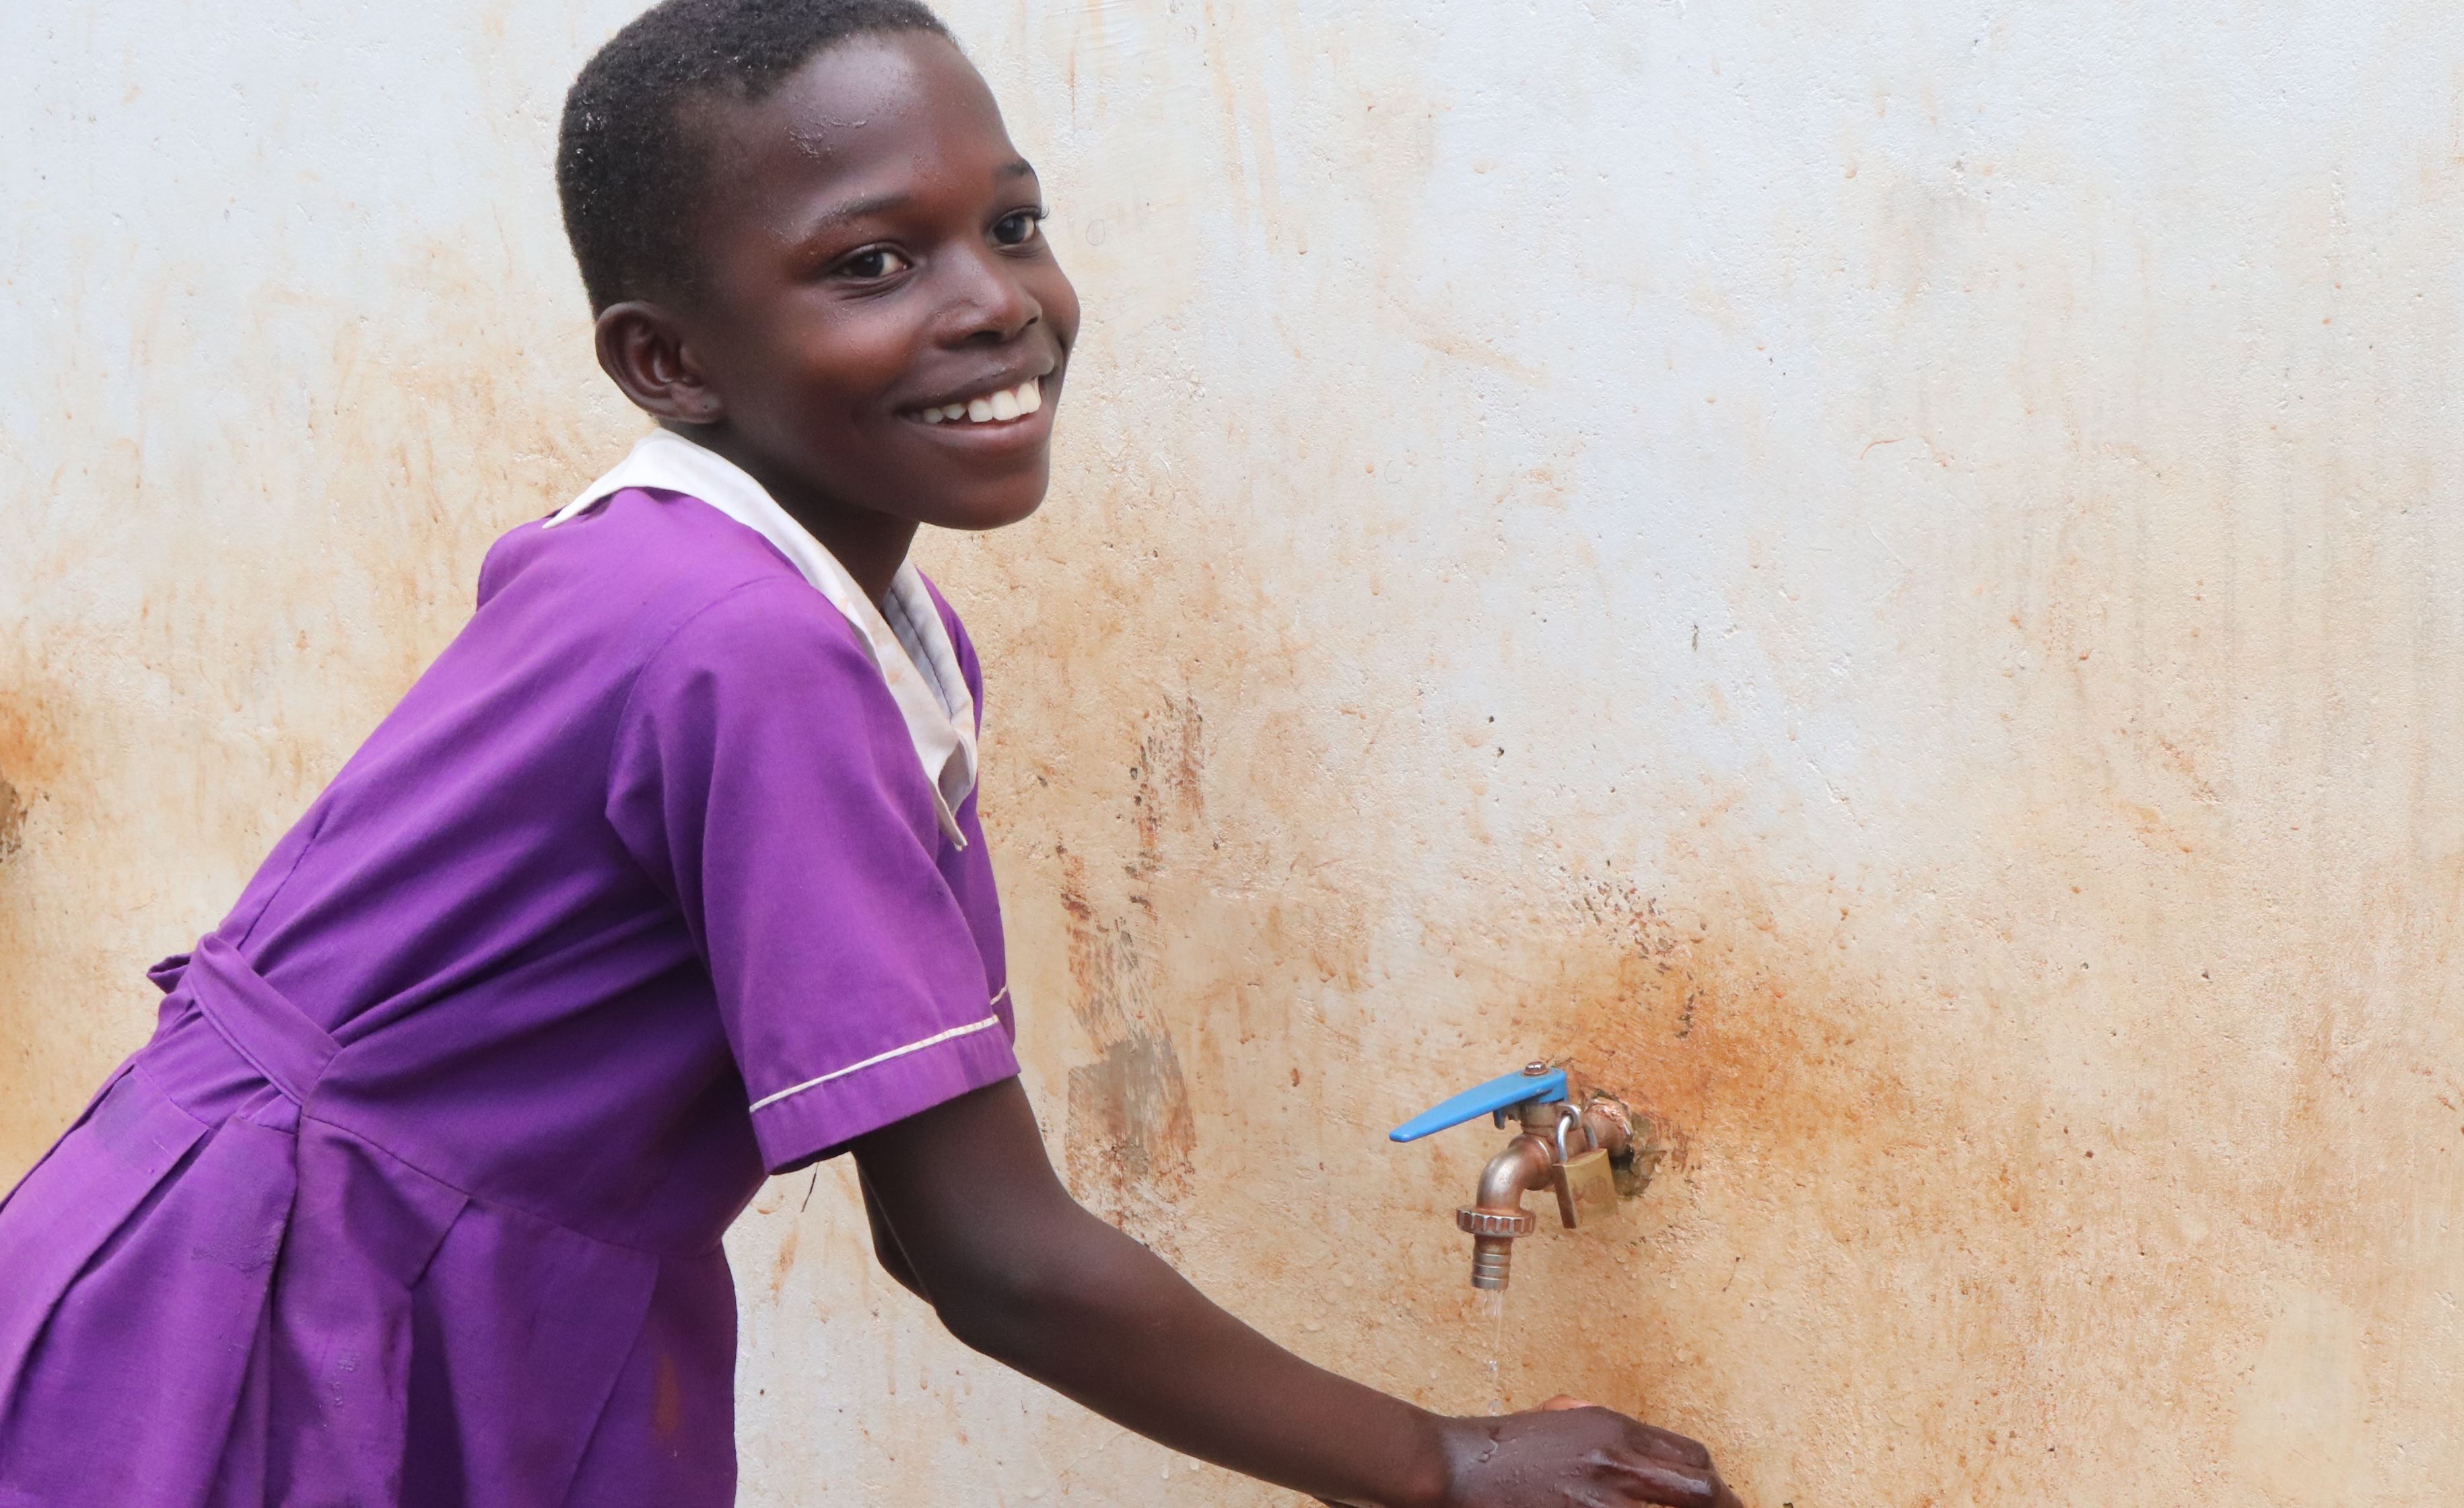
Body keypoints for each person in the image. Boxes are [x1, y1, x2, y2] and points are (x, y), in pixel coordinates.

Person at [0, 3, 1744, 1505]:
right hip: (280, 1308)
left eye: (1013, 221)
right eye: (871, 263)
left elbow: (935, 1203)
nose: (997, 304)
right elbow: (984, 1251)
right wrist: (1442, 1461)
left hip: (424, 1266)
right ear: (667, 362)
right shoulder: (742, 643)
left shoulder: (832, 617)